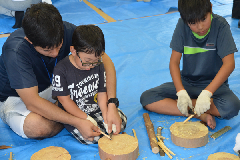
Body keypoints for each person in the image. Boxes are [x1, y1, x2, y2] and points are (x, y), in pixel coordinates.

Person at [0, 2, 120, 142]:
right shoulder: (16, 51)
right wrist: (78, 121)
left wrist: (111, 103)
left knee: (92, 65)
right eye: (47, 50)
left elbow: (106, 62)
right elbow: (32, 103)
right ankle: (72, 112)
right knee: (37, 127)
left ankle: (69, 109)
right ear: (29, 41)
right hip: (18, 97)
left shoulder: (66, 29)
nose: (56, 53)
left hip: (55, 87)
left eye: (59, 45)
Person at [140, 0, 240, 129]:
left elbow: (229, 63)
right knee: (147, 97)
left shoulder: (220, 25)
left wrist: (207, 93)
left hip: (215, 86)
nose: (200, 27)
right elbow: (174, 62)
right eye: (193, 23)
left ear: (210, 8)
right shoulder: (182, 25)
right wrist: (181, 92)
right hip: (188, 83)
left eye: (204, 19)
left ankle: (189, 106)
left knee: (232, 106)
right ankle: (198, 113)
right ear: (183, 18)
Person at [52, 25, 127, 144]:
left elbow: (102, 92)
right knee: (90, 137)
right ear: (73, 50)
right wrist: (86, 118)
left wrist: (106, 114)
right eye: (86, 61)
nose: (91, 66)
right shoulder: (61, 70)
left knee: (120, 122)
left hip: (96, 110)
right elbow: (64, 101)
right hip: (76, 114)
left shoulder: (99, 64)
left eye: (96, 60)